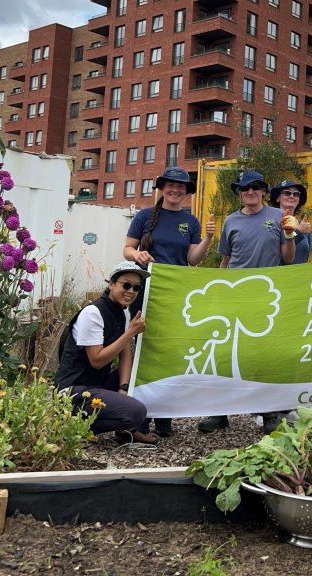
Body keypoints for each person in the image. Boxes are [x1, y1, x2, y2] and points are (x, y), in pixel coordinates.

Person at [198, 169, 298, 434]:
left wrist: (288, 236)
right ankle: (218, 413)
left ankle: (270, 413)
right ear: (239, 193)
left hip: (267, 296)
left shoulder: (280, 217)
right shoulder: (231, 221)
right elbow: (225, 261)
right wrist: (218, 295)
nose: (250, 192)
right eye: (244, 189)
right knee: (226, 354)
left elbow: (288, 258)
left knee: (265, 357)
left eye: (255, 187)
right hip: (236, 296)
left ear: (264, 191)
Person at [123, 166, 214, 437]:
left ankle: (164, 416)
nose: (175, 190)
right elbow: (127, 248)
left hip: (176, 294)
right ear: (162, 188)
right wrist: (136, 256)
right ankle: (140, 415)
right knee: (144, 349)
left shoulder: (191, 221)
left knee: (171, 352)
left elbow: (193, 259)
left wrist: (208, 237)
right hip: (147, 291)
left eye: (181, 186)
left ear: (186, 192)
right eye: (170, 185)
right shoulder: (144, 216)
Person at [54, 261, 154, 444]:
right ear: (111, 284)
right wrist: (130, 333)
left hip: (97, 384)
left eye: (136, 287)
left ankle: (125, 431)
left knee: (142, 374)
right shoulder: (93, 313)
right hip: (73, 390)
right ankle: (74, 426)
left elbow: (125, 354)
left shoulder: (123, 313)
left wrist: (124, 388)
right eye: (126, 285)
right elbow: (97, 361)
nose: (131, 291)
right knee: (136, 411)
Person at [269, 179, 312, 264]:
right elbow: (272, 254)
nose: (292, 196)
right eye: (287, 193)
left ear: (299, 200)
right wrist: (299, 232)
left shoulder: (303, 224)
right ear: (278, 198)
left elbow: (305, 257)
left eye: (296, 194)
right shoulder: (271, 223)